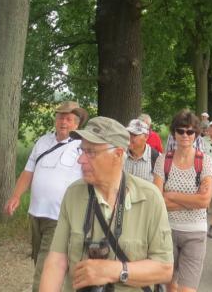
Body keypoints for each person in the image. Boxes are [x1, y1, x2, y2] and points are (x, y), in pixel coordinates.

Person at [39, 116, 174, 292]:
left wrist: (116, 271)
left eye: (91, 152)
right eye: (82, 151)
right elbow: (56, 261)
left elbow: (164, 269)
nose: (81, 160)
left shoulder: (150, 198)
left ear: (117, 154)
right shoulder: (73, 194)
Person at [4, 100, 88, 292]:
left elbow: (89, 180)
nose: (63, 122)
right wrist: (16, 196)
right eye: (60, 118)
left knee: (45, 265)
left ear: (77, 124)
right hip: (36, 213)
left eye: (68, 119)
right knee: (39, 258)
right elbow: (28, 171)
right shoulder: (42, 141)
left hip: (60, 217)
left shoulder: (82, 146)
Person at [153, 109, 212, 292]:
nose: (185, 135)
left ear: (196, 134)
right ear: (174, 133)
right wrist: (192, 201)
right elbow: (157, 201)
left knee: (187, 289)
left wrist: (171, 196)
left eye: (190, 131)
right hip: (166, 232)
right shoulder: (163, 161)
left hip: (195, 233)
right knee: (170, 287)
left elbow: (204, 201)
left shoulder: (205, 161)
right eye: (180, 131)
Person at [124, 117, 159, 182]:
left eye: (134, 135)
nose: (129, 137)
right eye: (129, 133)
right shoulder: (120, 153)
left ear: (146, 137)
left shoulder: (157, 158)